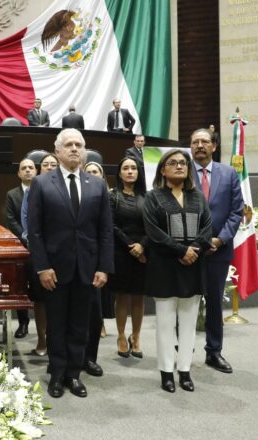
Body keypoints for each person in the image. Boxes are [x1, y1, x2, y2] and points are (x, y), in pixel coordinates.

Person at [28, 128, 114, 399]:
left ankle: (73, 374)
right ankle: (56, 373)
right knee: (56, 325)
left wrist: (103, 267)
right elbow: (35, 231)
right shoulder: (41, 184)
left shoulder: (97, 184)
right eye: (69, 145)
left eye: (79, 144)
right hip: (53, 269)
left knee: (80, 324)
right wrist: (42, 267)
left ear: (84, 150)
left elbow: (105, 231)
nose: (74, 148)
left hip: (87, 269)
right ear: (57, 151)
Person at [143, 149, 213, 393]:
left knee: (189, 323)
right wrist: (181, 251)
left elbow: (207, 227)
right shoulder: (153, 197)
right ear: (163, 169)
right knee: (164, 324)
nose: (179, 166)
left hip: (193, 268)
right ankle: (166, 373)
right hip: (164, 268)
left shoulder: (197, 196)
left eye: (183, 163)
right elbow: (154, 233)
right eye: (172, 163)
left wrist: (193, 249)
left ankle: (184, 371)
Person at [191, 128, 244, 374]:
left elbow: (236, 211)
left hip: (218, 251)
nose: (199, 145)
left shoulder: (230, 173)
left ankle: (214, 352)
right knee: (185, 302)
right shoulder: (180, 170)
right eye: (195, 142)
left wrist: (220, 240)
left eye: (204, 142)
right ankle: (182, 353)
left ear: (214, 146)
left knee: (214, 303)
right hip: (186, 251)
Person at [107, 156, 148, 360]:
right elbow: (111, 225)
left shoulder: (147, 197)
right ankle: (121, 336)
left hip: (143, 251)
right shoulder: (112, 196)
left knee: (139, 297)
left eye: (133, 168)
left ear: (139, 172)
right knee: (122, 296)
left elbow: (153, 226)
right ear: (120, 173)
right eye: (126, 168)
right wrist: (130, 245)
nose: (130, 171)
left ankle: (136, 336)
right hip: (121, 252)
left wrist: (142, 245)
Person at [20, 152, 58, 357]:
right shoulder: (32, 190)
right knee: (41, 301)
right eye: (46, 164)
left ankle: (58, 341)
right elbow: (27, 223)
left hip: (62, 253)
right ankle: (42, 340)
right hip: (39, 253)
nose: (50, 167)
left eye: (54, 164)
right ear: (40, 169)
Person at [81, 161, 112, 377]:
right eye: (89, 171)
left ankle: (90, 358)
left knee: (94, 315)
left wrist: (103, 266)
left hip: (95, 263)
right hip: (71, 260)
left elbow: (106, 231)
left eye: (96, 172)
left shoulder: (101, 193)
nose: (92, 175)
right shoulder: (75, 189)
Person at [5, 158, 37, 338]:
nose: (27, 171)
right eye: (23, 168)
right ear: (18, 173)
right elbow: (11, 219)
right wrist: (27, 238)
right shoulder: (12, 194)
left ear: (36, 171)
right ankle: (23, 322)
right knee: (20, 286)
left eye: (31, 168)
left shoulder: (43, 192)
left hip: (42, 247)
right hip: (21, 245)